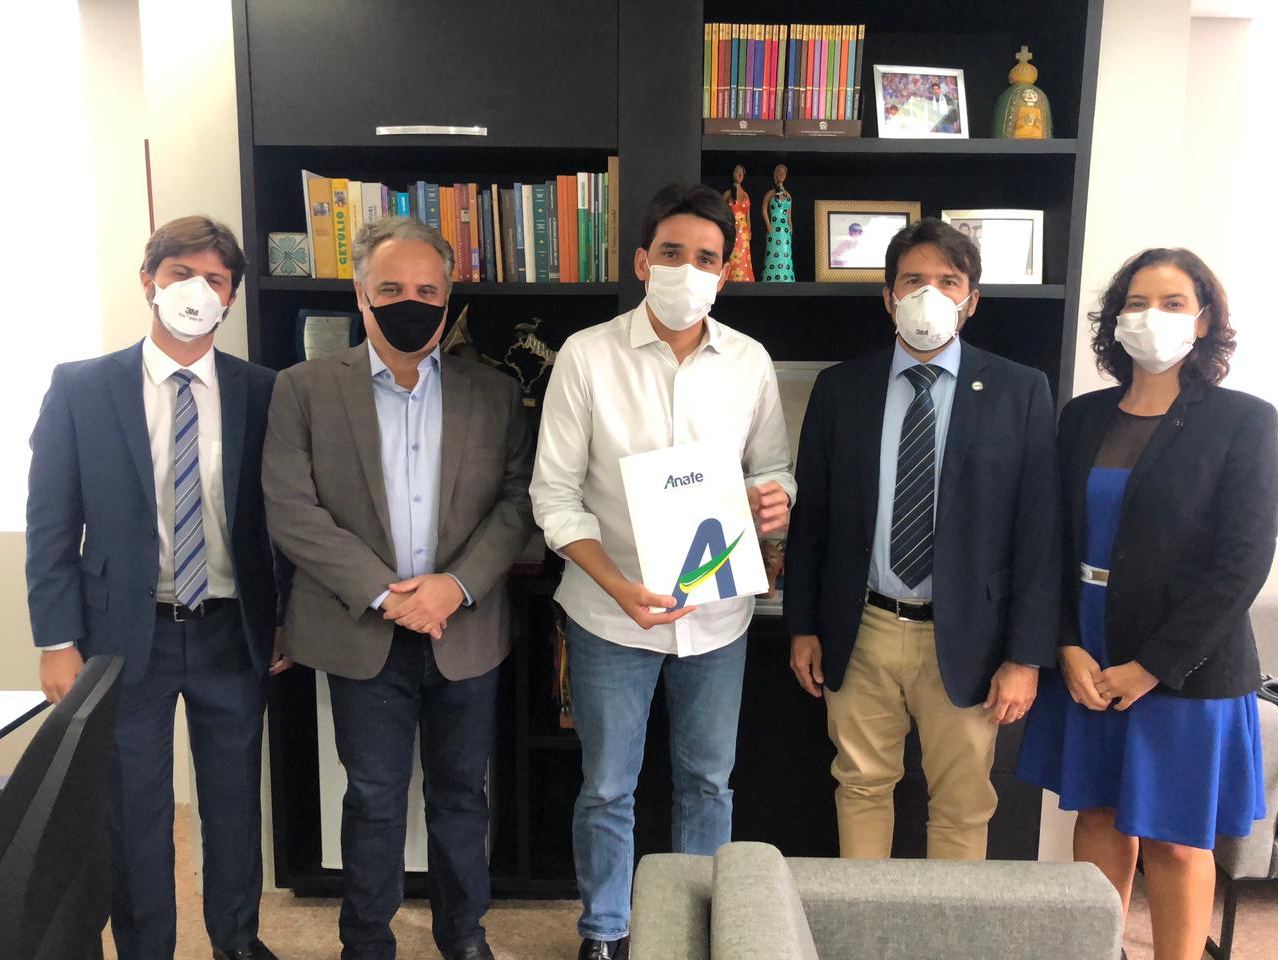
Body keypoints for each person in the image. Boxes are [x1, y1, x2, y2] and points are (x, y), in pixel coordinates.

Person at [531, 183, 795, 960]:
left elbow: (772, 467)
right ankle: (605, 931)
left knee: (708, 784)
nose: (688, 269)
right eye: (672, 253)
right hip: (609, 613)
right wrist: (617, 586)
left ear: (725, 273)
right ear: (643, 261)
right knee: (608, 786)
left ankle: (701, 929)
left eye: (706, 258)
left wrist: (775, 499)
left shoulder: (748, 362)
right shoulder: (587, 355)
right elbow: (554, 497)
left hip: (717, 617)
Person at [262, 217, 534, 960]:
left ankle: (463, 935)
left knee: (461, 798)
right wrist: (390, 596)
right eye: (390, 289)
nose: (410, 303)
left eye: (427, 290)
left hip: (464, 632)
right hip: (361, 632)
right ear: (360, 294)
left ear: (447, 301)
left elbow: (518, 503)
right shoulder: (303, 388)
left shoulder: (495, 392)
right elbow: (291, 510)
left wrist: (455, 586)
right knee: (374, 799)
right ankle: (365, 943)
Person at [26, 216, 286, 960]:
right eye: (181, 274)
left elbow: (286, 517)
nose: (197, 291)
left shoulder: (263, 390)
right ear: (149, 281)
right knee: (134, 812)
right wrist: (55, 640)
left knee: (233, 807)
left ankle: (238, 942)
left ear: (230, 297)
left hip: (232, 632)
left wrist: (287, 620)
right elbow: (51, 520)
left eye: (215, 279)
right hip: (120, 637)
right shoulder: (81, 387)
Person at [1017, 248, 1273, 960]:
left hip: (1187, 661)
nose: (1150, 316)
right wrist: (1065, 643)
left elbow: (1243, 563)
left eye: (1171, 303)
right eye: (1136, 302)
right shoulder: (1081, 419)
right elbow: (1051, 542)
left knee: (1175, 838)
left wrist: (1151, 666)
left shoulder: (1246, 421)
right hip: (1089, 649)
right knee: (1099, 814)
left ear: (1205, 319)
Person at [785, 217, 1061, 862]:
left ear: (972, 300)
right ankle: (864, 918)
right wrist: (802, 625)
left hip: (970, 636)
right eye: (913, 281)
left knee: (963, 803)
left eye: (948, 281)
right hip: (863, 626)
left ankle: (947, 923)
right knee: (860, 786)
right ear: (889, 297)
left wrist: (1025, 657)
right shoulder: (841, 387)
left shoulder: (1021, 390)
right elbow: (813, 516)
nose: (928, 294)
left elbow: (1039, 533)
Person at [723, 164, 754, 282]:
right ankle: (730, 277)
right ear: (732, 174)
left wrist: (749, 230)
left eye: (742, 172)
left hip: (744, 231)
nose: (740, 174)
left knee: (743, 255)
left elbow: (748, 216)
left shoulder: (745, 194)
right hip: (732, 229)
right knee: (733, 254)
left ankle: (745, 276)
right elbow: (720, 211)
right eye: (737, 171)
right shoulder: (728, 193)